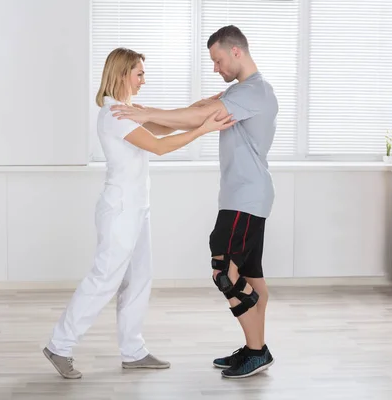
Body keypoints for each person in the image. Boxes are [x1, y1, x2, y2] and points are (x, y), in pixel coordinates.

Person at [43, 47, 235, 379]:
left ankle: (133, 351)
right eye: (139, 74)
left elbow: (158, 130)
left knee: (139, 279)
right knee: (105, 279)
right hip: (120, 211)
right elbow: (160, 147)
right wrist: (204, 129)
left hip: (136, 208)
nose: (144, 80)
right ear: (121, 75)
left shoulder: (126, 110)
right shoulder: (115, 114)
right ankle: (59, 346)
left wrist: (201, 108)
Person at [111, 25, 278, 379]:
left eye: (218, 60)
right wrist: (147, 118)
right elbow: (198, 109)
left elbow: (196, 117)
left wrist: (147, 114)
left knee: (225, 272)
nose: (215, 68)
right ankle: (254, 350)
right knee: (252, 280)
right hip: (246, 196)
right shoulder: (242, 92)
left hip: (245, 197)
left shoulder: (255, 92)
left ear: (236, 52)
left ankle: (257, 351)